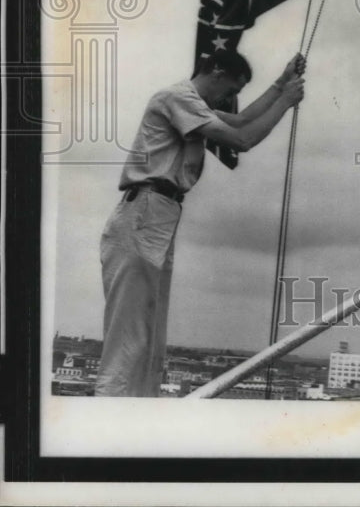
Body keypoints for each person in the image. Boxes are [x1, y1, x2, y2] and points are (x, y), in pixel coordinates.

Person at [94, 49, 305, 397]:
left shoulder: (192, 105)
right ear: (217, 71)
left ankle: (135, 413)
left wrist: (280, 84)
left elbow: (238, 122)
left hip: (159, 214)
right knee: (129, 331)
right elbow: (242, 139)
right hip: (145, 211)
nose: (230, 99)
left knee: (148, 330)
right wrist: (286, 101)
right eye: (230, 91)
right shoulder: (177, 97)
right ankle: (111, 413)